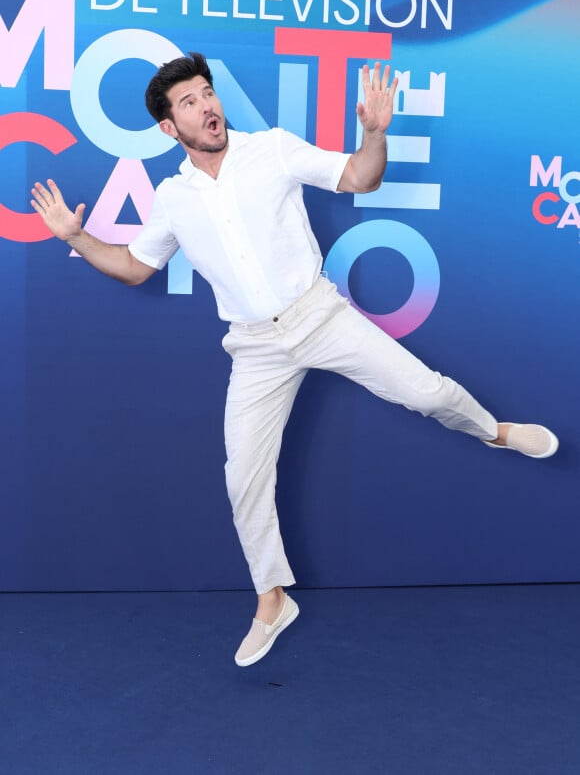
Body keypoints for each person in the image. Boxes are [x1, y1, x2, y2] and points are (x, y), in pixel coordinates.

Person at [31, 52, 559, 668]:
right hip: (255, 347)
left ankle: (494, 431)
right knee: (242, 475)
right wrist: (76, 236)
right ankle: (271, 598)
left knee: (428, 393)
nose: (208, 107)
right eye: (190, 103)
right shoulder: (173, 198)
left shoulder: (272, 150)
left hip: (318, 315)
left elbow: (361, 178)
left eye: (208, 93)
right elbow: (133, 267)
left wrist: (374, 135)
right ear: (169, 129)